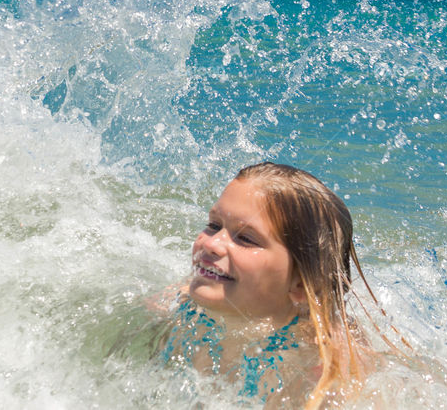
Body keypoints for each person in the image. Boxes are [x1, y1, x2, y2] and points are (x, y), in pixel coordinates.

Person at [154, 162, 382, 407]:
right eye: (214, 225)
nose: (211, 244)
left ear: (300, 286)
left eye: (246, 238)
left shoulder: (319, 371)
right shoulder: (179, 305)